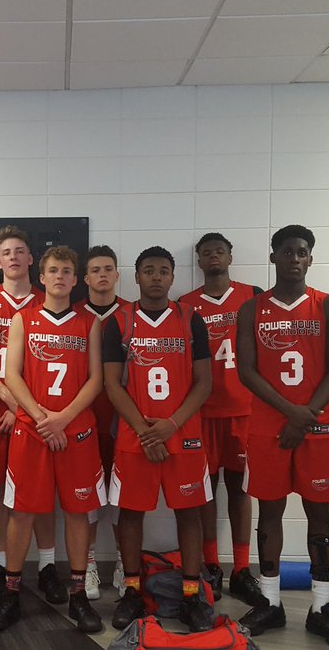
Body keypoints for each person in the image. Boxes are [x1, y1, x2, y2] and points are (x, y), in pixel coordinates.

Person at [235, 225, 329, 648]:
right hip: (269, 427)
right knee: (269, 511)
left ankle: (321, 607)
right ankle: (270, 601)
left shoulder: (328, 305)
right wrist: (291, 413)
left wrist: (305, 416)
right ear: (273, 257)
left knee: (320, 512)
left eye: (302, 252)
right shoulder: (252, 309)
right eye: (287, 251)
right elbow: (246, 371)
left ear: (310, 259)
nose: (295, 258)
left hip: (315, 425)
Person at [0, 246, 105, 634]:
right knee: (22, 511)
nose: (59, 277)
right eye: (53, 270)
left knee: (77, 511)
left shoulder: (89, 322)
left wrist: (63, 419)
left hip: (75, 430)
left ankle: (78, 595)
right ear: (42, 276)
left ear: (75, 279)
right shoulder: (23, 318)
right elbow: (12, 375)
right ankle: (11, 593)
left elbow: (96, 380)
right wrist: (41, 419)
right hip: (32, 429)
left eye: (67, 271)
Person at [103, 246, 216, 634]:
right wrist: (145, 431)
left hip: (182, 434)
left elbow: (204, 382)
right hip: (136, 434)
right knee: (131, 512)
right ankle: (132, 591)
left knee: (189, 511)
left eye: (163, 271)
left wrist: (170, 425)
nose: (156, 276)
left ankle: (190, 595)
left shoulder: (190, 318)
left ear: (172, 277)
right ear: (136, 277)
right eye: (148, 270)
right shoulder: (120, 321)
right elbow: (112, 385)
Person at [0, 226, 65, 605]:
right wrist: (10, 400)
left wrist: (24, 410)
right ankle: (0, 566)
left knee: (40, 492)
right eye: (6, 252)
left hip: (38, 415)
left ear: (31, 259)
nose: (13, 257)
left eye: (20, 251)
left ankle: (48, 566)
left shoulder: (48, 300)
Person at [178, 233, 267, 608]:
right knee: (205, 491)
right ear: (198, 261)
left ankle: (242, 569)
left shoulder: (253, 296)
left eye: (219, 251)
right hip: (202, 412)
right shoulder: (185, 305)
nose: (213, 256)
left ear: (230, 256)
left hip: (244, 410)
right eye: (206, 252)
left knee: (241, 489)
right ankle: (211, 564)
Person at [76, 245, 127, 599]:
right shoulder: (73, 315)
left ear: (117, 275)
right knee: (88, 497)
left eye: (108, 269)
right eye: (95, 270)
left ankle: (125, 563)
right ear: (85, 278)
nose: (102, 275)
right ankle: (89, 564)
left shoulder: (132, 314)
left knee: (125, 495)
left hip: (124, 419)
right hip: (85, 418)